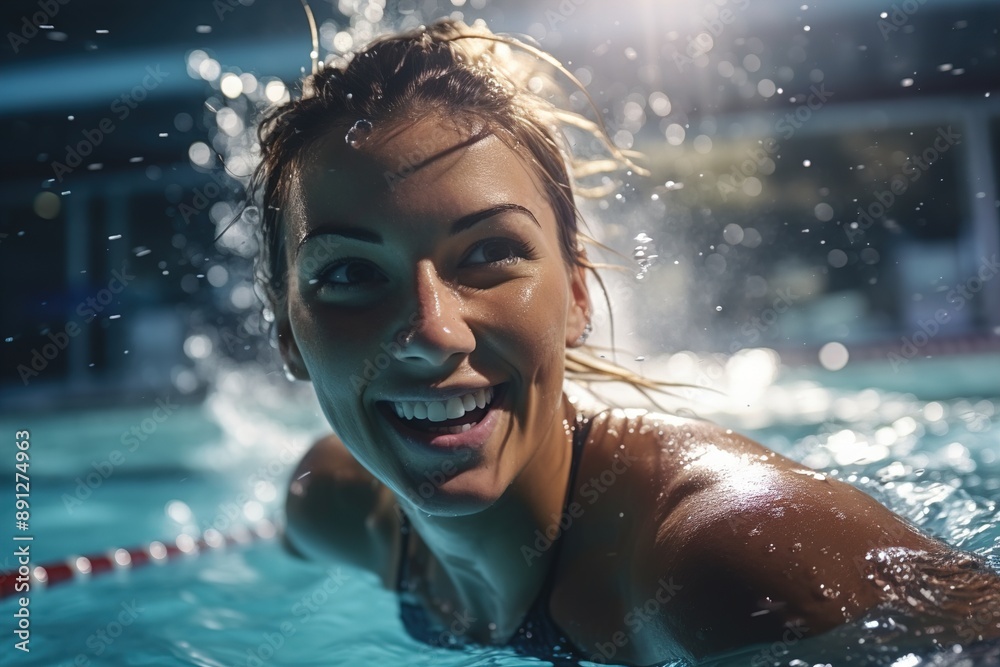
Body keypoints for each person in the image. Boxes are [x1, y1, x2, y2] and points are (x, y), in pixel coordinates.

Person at [249, 18, 1000, 666]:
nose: (432, 332)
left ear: (577, 295)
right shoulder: (332, 506)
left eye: (486, 253)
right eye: (349, 272)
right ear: (287, 335)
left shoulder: (730, 560)